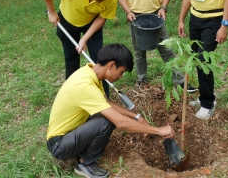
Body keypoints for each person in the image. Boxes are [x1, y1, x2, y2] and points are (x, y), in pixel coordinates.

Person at [46, 44, 175, 178]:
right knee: (107, 120)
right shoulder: (85, 86)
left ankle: (81, 147)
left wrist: (136, 117)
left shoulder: (90, 73)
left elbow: (107, 103)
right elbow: (120, 123)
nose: (121, 76)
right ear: (111, 65)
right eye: (121, 71)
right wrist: (158, 130)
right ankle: (85, 163)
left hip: (68, 133)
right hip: (59, 145)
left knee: (104, 112)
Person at [41, 0, 118, 97]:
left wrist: (84, 39)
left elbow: (102, 18)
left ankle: (103, 95)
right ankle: (73, 93)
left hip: (92, 23)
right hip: (68, 21)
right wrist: (52, 12)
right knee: (71, 59)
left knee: (99, 59)